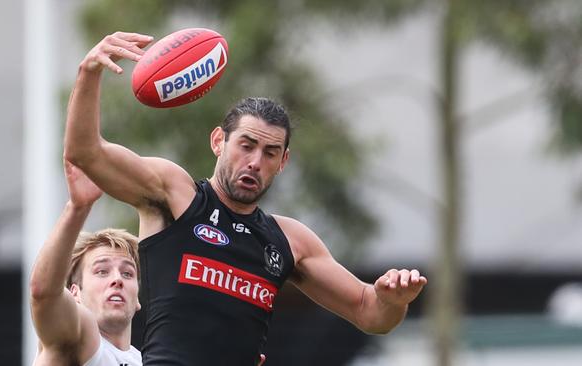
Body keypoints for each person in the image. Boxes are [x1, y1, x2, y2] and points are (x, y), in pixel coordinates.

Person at [64, 31, 428, 366]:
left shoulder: (289, 241)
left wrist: (392, 302)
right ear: (218, 142)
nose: (255, 162)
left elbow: (370, 314)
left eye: (270, 152)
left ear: (283, 162)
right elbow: (85, 153)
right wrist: (89, 72)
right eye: (246, 145)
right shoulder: (175, 195)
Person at [29, 160, 142, 366]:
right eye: (102, 271)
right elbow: (43, 292)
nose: (117, 279)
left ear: (138, 300)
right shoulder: (82, 338)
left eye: (127, 273)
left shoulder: (147, 359)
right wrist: (77, 207)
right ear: (74, 294)